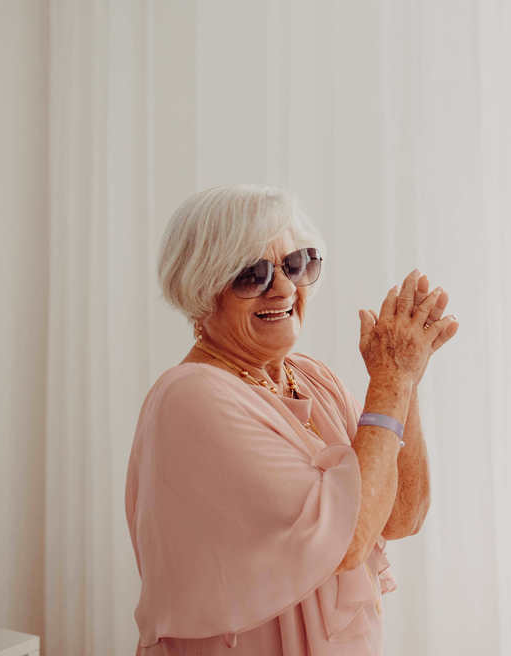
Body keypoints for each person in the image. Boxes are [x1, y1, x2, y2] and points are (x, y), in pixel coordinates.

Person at [126, 184, 459, 655]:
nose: (283, 288)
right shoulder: (191, 396)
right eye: (253, 274)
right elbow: (346, 543)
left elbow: (404, 515)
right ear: (203, 289)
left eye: (296, 264)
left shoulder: (311, 378)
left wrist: (406, 379)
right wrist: (389, 380)